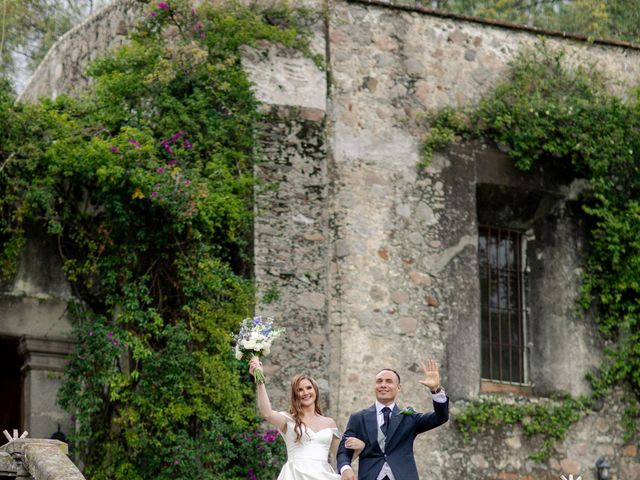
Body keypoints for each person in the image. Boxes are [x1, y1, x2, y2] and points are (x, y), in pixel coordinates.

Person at [249, 358, 365, 480]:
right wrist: (260, 382)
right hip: (295, 475)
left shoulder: (329, 423)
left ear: (315, 390)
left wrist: (360, 448)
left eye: (309, 388)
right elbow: (267, 413)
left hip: (324, 475)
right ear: (295, 395)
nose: (305, 392)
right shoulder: (287, 420)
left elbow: (341, 458)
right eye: (300, 390)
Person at [336, 359, 449, 480]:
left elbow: (440, 417)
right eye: (379, 381)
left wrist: (435, 390)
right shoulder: (358, 418)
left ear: (398, 387)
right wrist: (345, 468)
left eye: (389, 381)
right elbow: (343, 450)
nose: (383, 385)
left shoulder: (409, 417)